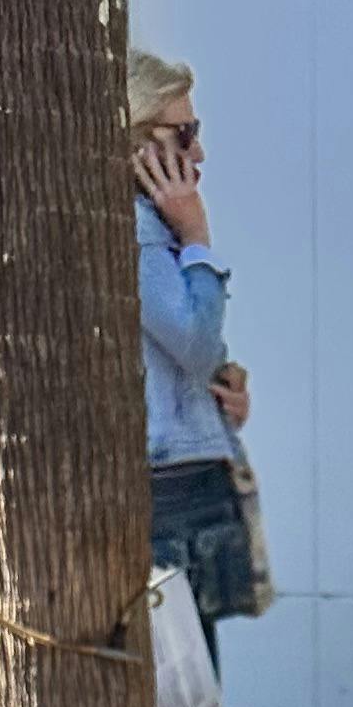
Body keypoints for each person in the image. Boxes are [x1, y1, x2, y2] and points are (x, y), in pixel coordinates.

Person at [127, 49, 261, 653]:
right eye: (184, 133)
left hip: (177, 476)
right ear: (135, 139)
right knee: (184, 690)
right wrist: (197, 236)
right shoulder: (139, 228)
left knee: (187, 688)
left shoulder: (147, 225)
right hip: (168, 488)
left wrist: (220, 386)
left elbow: (193, 354)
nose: (199, 152)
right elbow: (193, 340)